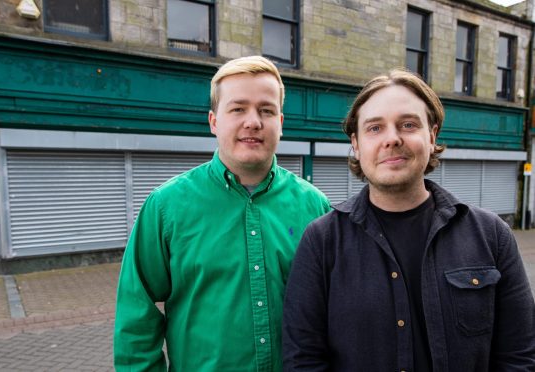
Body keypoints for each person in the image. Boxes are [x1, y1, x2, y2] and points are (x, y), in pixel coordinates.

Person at [282, 69, 535, 371]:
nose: (392, 138)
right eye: (375, 128)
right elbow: (303, 360)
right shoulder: (322, 241)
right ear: (356, 144)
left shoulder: (492, 235)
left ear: (431, 136)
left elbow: (520, 357)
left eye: (408, 124)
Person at [114, 55, 330, 371]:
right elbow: (136, 315)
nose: (253, 121)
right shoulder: (166, 207)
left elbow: (334, 312)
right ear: (214, 121)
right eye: (238, 108)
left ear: (280, 123)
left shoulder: (315, 207)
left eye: (266, 110)